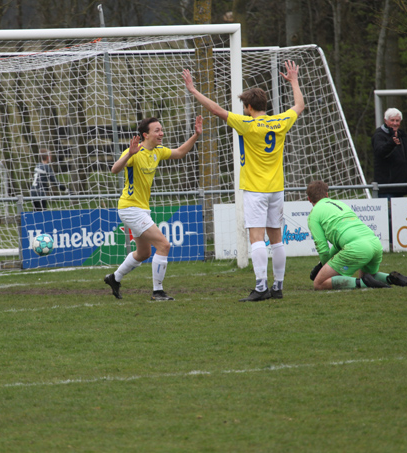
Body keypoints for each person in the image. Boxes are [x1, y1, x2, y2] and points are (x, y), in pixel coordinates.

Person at [182, 61, 304, 302]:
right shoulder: (280, 121)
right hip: (277, 189)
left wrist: (194, 90)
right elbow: (299, 105)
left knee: (257, 238)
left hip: (256, 190)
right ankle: (278, 287)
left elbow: (217, 110)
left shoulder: (247, 124)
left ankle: (261, 287)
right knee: (277, 238)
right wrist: (293, 81)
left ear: (249, 107)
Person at [104, 115, 202, 301]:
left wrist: (196, 135)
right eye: (157, 130)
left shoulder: (158, 151)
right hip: (130, 208)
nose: (161, 133)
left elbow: (180, 152)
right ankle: (158, 292)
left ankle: (114, 278)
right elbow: (114, 170)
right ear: (145, 135)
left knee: (144, 253)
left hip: (141, 209)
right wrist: (129, 154)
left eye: (161, 129)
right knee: (164, 245)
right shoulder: (135, 152)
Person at [306, 180, 407, 290]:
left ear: (309, 199)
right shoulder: (340, 204)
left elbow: (322, 248)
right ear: (326, 194)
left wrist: (324, 267)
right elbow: (340, 243)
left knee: (319, 283)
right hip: (375, 244)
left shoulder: (314, 215)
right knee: (368, 276)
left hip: (357, 247)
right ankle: (390, 278)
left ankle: (364, 283)